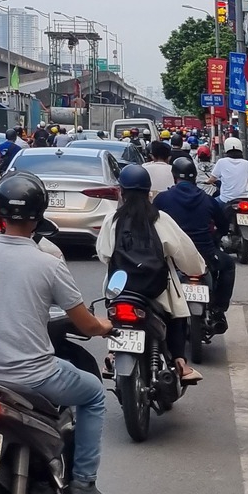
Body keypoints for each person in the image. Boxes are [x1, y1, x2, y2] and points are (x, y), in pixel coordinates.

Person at [0, 172, 118, 494]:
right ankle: (84, 482)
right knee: (94, 395)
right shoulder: (49, 264)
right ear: (39, 216)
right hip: (36, 377)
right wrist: (104, 327)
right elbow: (85, 323)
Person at [97, 164, 206, 386]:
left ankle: (112, 354)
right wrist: (197, 269)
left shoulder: (112, 220)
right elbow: (186, 254)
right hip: (155, 288)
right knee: (177, 313)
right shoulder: (161, 219)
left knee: (113, 313)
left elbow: (104, 254)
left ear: (121, 192)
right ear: (149, 192)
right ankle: (180, 363)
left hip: (119, 288)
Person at [155, 154, 233, 332]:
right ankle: (219, 309)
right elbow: (223, 225)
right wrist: (214, 238)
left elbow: (152, 224)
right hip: (205, 254)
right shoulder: (207, 199)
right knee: (228, 265)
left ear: (174, 176)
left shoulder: (163, 198)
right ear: (195, 177)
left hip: (174, 255)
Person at [213, 137, 248, 205]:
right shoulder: (246, 163)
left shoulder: (221, 162)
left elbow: (213, 178)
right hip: (244, 199)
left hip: (225, 199)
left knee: (212, 204)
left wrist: (205, 182)